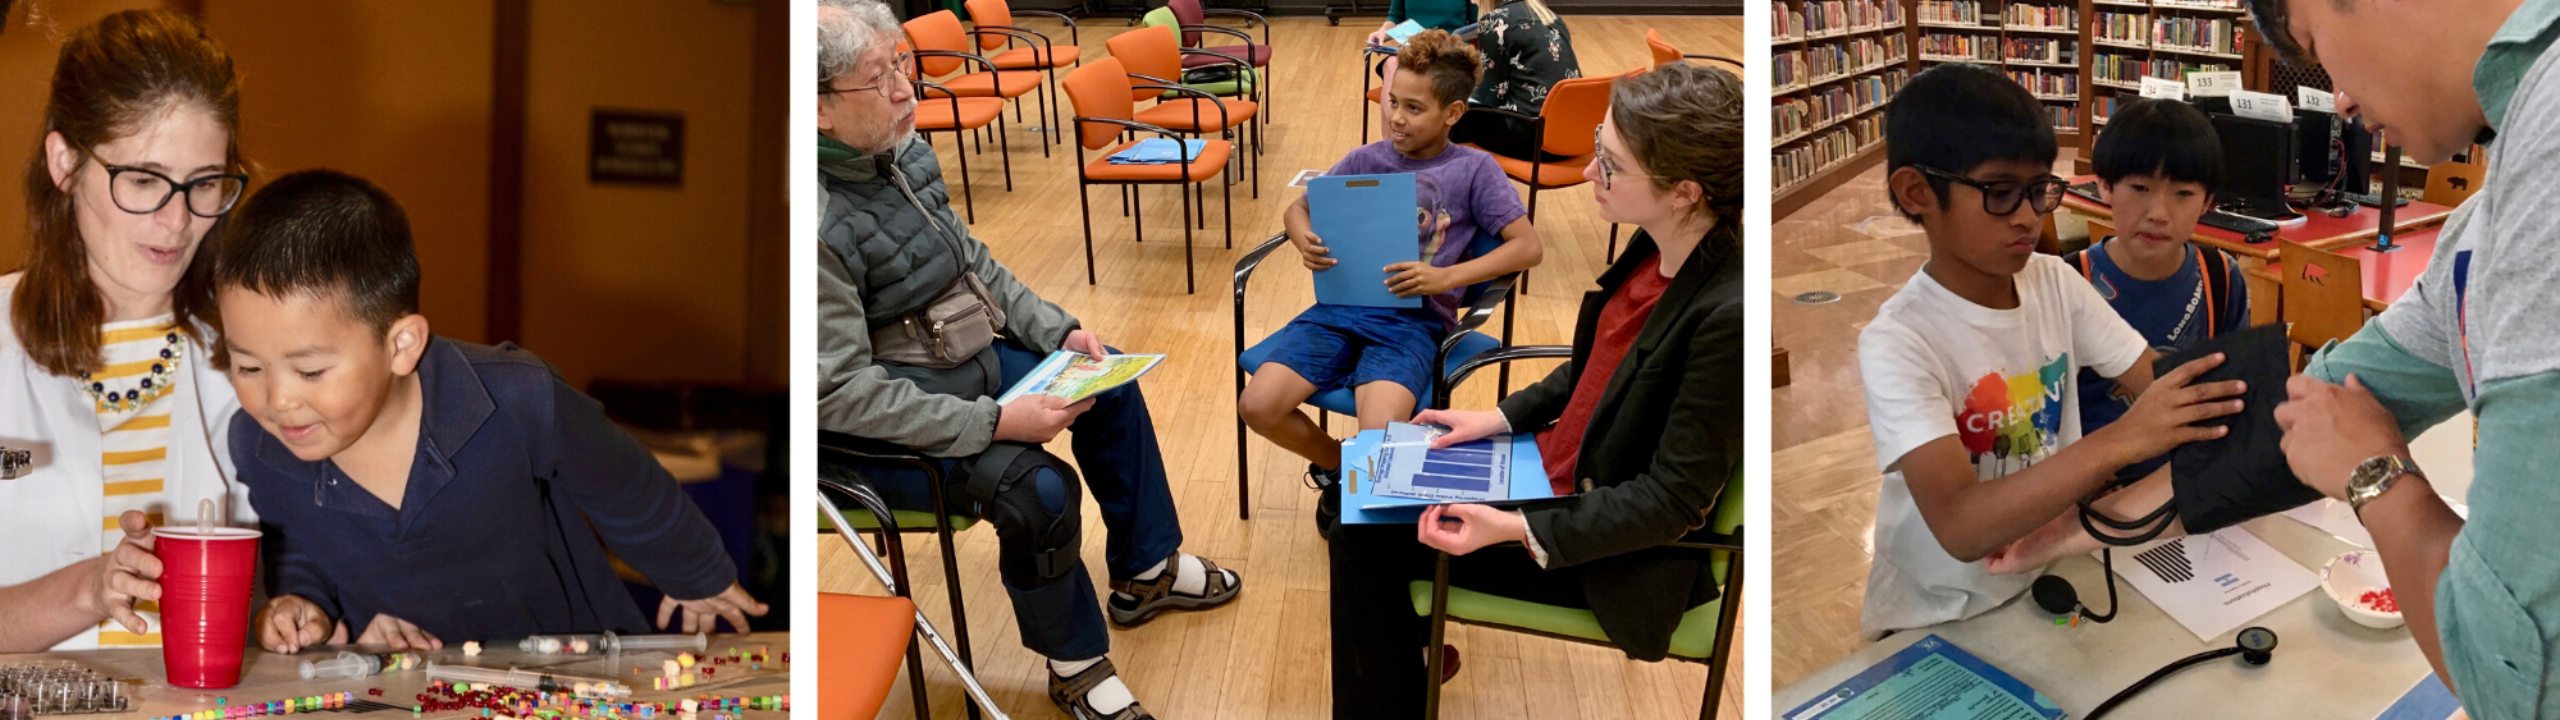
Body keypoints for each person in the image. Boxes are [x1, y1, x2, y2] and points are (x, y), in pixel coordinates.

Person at [815, 3, 1240, 718]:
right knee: (1038, 492)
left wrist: (1057, 331)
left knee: (1110, 386)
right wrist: (993, 423)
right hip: (876, 432)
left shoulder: (899, 151)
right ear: (818, 109)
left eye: (902, 63)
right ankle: (1074, 664)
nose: (904, 89)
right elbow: (837, 395)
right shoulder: (815, 221)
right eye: (877, 77)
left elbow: (970, 263)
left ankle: (1146, 571)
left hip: (958, 363)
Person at [1323, 62, 1742, 717]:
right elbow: (1596, 367)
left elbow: (1671, 502)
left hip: (1606, 548)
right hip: (1549, 475)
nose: (1586, 173)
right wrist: (1492, 419)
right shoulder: (1665, 242)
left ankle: (1392, 686)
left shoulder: (1726, 315)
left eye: (1608, 164)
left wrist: (1510, 526)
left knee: (1357, 533)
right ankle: (1406, 664)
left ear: (1684, 189)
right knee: (1350, 498)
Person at [212, 170, 766, 652]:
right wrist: (304, 602)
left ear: (400, 345)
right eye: (248, 367)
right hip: (417, 684)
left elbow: (624, 484)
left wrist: (695, 571)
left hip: (579, 666)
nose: (277, 400)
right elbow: (300, 543)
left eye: (309, 372)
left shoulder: (516, 397)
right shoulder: (260, 445)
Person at [1854, 64, 2241, 638]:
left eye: (2039, 191)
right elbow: (1960, 527)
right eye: (1999, 193)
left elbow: (2155, 381)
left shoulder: (2053, 283)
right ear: (1917, 193)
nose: (2028, 217)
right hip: (1935, 611)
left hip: (2050, 580)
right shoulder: (1899, 342)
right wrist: (2125, 438)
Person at [0, 9, 252, 653]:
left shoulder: (254, 353)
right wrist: (90, 589)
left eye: (204, 184)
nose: (178, 221)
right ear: (64, 163)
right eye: (143, 180)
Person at [1247, 29, 1541, 531]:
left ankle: (1368, 516)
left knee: (1381, 438)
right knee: (1257, 405)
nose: (1396, 118)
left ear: (1452, 113)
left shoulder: (1475, 170)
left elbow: (1527, 247)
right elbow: (1298, 208)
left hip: (1413, 323)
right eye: (1392, 103)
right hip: (1338, 310)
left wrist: (1446, 275)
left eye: (1413, 108)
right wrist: (1304, 239)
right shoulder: (1366, 158)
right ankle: (1337, 471)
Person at [2065, 98, 2250, 483]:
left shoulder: (2221, 278)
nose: (2158, 212)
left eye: (2183, 194)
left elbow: (2235, 400)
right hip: (2088, 495)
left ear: (2208, 202)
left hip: (2184, 490)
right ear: (2103, 187)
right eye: (2139, 187)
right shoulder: (2070, 282)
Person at [1449, 0, 1583, 162]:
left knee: (1451, 114)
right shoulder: (1549, 16)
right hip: (1572, 136)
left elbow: (1490, 96)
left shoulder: (1495, 22)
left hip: (1534, 141)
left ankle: (1448, 181)